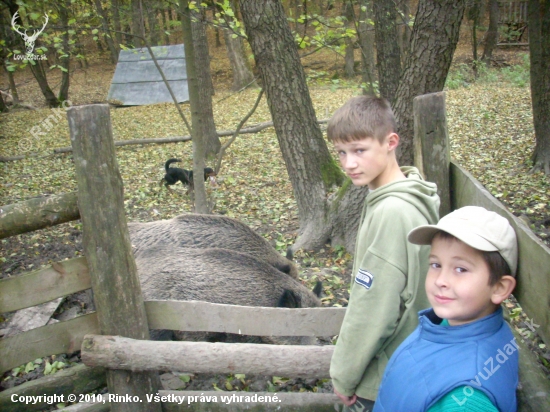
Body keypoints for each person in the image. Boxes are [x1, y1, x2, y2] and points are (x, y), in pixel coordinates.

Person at [328, 95, 440, 411]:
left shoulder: (391, 212)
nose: (349, 163)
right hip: (413, 359)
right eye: (341, 152)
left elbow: (375, 307)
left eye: (359, 150)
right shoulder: (406, 193)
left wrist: (345, 376)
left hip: (386, 373)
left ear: (390, 142)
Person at [374, 206, 519, 412]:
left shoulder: (465, 400)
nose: (441, 280)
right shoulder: (449, 324)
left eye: (461, 269)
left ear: (499, 288)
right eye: (435, 264)